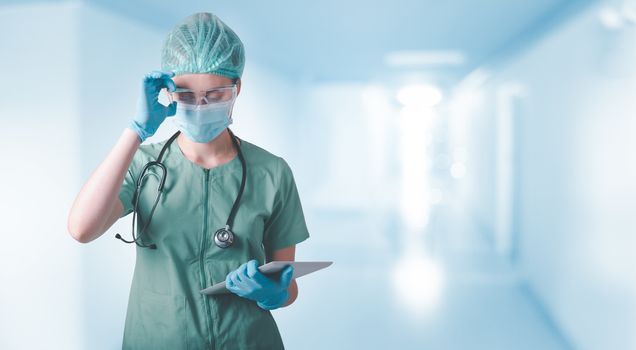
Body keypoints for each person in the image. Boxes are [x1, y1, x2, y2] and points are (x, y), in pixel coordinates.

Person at [67, 12, 310, 349]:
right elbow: (82, 229)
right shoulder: (143, 164)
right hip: (158, 338)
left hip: (247, 340)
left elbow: (288, 286)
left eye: (215, 94)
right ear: (169, 93)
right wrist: (135, 132)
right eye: (185, 94)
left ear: (237, 88)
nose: (199, 106)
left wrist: (273, 292)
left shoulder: (272, 172)